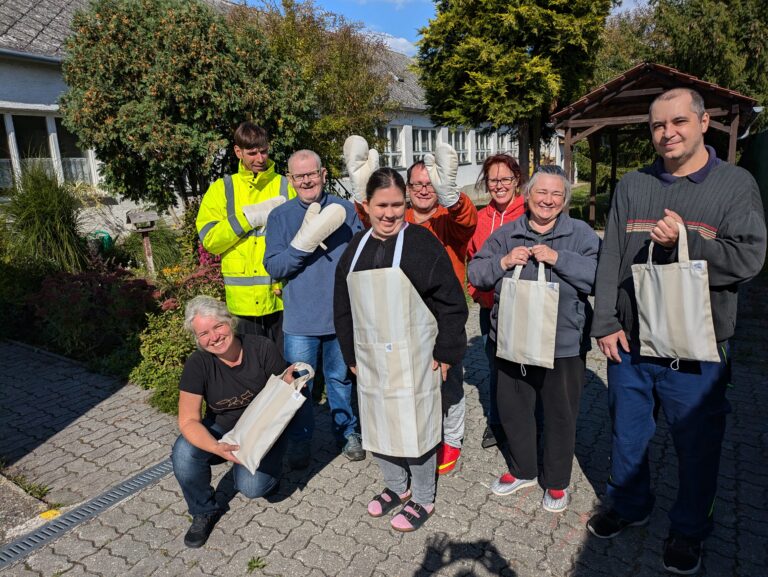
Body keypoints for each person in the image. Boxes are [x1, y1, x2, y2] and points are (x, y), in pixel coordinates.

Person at [588, 87, 766, 575]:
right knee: (627, 436)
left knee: (696, 447)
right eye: (658, 125)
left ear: (703, 123)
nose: (667, 133)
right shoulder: (633, 185)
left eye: (679, 122)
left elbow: (750, 258)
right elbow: (610, 256)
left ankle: (689, 529)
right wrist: (605, 321)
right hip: (630, 344)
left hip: (698, 348)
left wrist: (688, 242)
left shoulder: (735, 185)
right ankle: (630, 504)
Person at [334, 167, 468, 532]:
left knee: (416, 425)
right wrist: (349, 355)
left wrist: (446, 351)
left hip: (417, 355)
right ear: (367, 205)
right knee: (377, 422)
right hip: (370, 356)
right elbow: (342, 305)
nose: (390, 213)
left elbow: (452, 303)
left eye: (397, 205)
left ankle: (423, 497)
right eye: (382, 205)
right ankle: (396, 486)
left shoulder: (422, 244)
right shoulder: (355, 249)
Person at [468, 165, 599, 513]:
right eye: (542, 192)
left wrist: (559, 259)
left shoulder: (581, 234)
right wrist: (503, 261)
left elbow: (599, 278)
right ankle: (523, 469)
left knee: (560, 414)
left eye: (557, 194)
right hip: (512, 340)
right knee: (514, 410)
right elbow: (475, 273)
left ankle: (556, 481)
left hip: (563, 345)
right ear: (527, 196)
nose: (548, 200)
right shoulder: (507, 234)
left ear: (565, 200)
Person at [344, 136, 477, 475]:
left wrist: (452, 196)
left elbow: (467, 221)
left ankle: (451, 437)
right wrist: (362, 192)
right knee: (410, 385)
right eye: (416, 184)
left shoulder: (446, 219)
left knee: (448, 381)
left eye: (429, 183)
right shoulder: (398, 219)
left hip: (441, 317)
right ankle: (414, 435)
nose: (422, 189)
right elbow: (372, 221)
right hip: (399, 318)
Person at [263, 149, 365, 470]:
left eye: (312, 173)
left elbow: (360, 255)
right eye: (299, 175)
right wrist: (302, 245)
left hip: (339, 316)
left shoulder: (344, 210)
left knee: (339, 379)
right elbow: (274, 266)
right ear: (290, 180)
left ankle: (346, 432)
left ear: (323, 174)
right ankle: (300, 439)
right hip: (300, 321)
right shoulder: (280, 217)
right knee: (299, 385)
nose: (306, 180)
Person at [171, 296, 295, 548]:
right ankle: (203, 510)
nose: (214, 337)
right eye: (204, 333)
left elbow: (284, 395)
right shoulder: (198, 363)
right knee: (183, 451)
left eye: (218, 326)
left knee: (251, 487)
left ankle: (271, 473)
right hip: (222, 430)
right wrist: (216, 447)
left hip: (263, 430)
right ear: (197, 340)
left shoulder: (261, 347)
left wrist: (289, 383)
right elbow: (188, 420)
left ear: (230, 321)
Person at [196, 122, 295, 352]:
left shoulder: (285, 185)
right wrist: (247, 219)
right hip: (242, 305)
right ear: (238, 151)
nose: (260, 158)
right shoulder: (222, 189)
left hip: (281, 299)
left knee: (286, 365)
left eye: (264, 151)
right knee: (252, 367)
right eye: (252, 153)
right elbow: (210, 240)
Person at [466, 153, 526, 449]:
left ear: (517, 180)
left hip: (523, 307)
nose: (499, 185)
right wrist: (476, 292)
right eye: (493, 180)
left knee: (525, 367)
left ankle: (528, 422)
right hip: (490, 308)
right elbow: (471, 258)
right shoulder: (481, 218)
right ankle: (497, 421)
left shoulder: (529, 212)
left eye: (505, 179)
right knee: (495, 367)